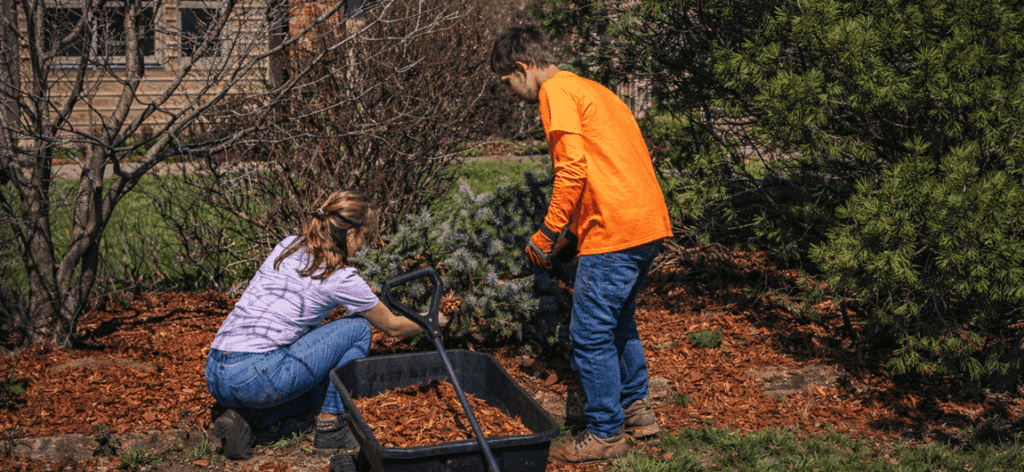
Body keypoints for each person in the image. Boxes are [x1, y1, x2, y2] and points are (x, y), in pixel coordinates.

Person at [491, 25, 674, 464]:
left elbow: (572, 171)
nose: (510, 93)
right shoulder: (593, 89)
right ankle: (637, 411)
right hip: (646, 222)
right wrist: (571, 237)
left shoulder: (554, 92)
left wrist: (547, 233)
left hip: (613, 228)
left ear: (522, 68)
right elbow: (605, 167)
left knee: (590, 333)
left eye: (507, 82)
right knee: (619, 322)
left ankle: (605, 433)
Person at [205, 190, 441, 459]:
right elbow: (393, 327)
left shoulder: (288, 245)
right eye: (364, 236)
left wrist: (364, 290)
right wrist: (438, 319)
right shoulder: (340, 277)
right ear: (350, 235)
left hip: (217, 373)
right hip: (258, 375)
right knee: (359, 329)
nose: (364, 245)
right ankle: (332, 427)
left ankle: (247, 420)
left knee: (315, 393)